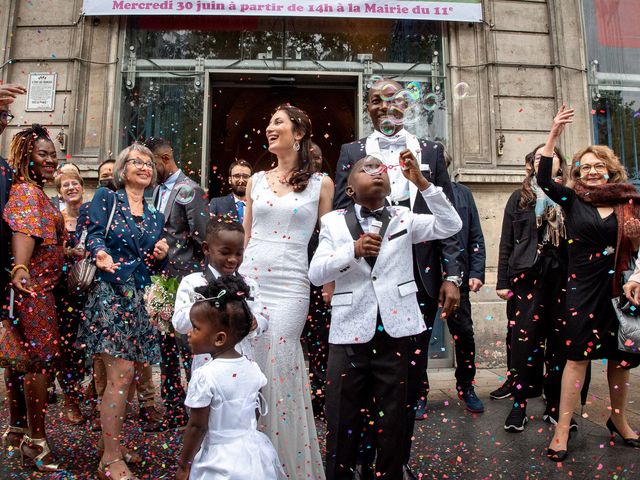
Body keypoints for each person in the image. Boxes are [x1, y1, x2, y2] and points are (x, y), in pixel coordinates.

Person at [334, 78, 463, 479]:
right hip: (365, 275)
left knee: (405, 380)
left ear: (405, 106)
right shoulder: (351, 151)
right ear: (368, 108)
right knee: (358, 381)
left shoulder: (431, 151)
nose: (382, 106)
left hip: (418, 279)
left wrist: (452, 274)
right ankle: (359, 459)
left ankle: (396, 460)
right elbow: (341, 211)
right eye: (374, 100)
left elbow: (448, 218)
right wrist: (334, 271)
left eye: (390, 99)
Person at [310, 154, 461, 479]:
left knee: (393, 418)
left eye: (382, 169)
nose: (377, 171)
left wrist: (423, 184)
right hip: (349, 333)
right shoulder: (333, 222)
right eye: (366, 168)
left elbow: (451, 225)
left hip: (396, 331)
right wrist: (353, 250)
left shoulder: (405, 217)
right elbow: (315, 272)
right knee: (341, 419)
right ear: (349, 189)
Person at [537, 106, 640, 461]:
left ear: (611, 171)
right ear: (578, 172)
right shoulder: (572, 198)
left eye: (599, 166)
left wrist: (638, 278)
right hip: (581, 290)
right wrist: (554, 134)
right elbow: (544, 180)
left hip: (620, 291)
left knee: (620, 359)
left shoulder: (631, 203)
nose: (592, 171)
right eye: (586, 166)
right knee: (576, 358)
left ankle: (619, 420)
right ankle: (562, 429)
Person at [239, 104, 333, 478]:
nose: (269, 128)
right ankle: (249, 462)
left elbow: (328, 239)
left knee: (280, 361)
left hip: (292, 283)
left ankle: (285, 462)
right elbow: (246, 237)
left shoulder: (321, 183)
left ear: (298, 133)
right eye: (268, 122)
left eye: (277, 122)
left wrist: (330, 280)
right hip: (252, 281)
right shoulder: (255, 181)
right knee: (250, 361)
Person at [77, 143, 169, 480]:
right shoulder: (107, 197)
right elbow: (93, 234)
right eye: (137, 162)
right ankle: (110, 460)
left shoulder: (156, 213)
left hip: (141, 298)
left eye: (149, 163)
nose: (145, 167)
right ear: (122, 169)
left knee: (129, 381)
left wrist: (162, 250)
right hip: (111, 294)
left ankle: (111, 446)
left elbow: (154, 258)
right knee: (119, 377)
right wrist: (100, 252)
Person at [175, 276, 285, 480]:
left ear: (219, 338)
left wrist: (184, 465)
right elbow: (255, 410)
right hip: (252, 454)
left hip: (218, 459)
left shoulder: (204, 376)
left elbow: (197, 426)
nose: (189, 334)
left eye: (196, 328)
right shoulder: (253, 368)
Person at [496, 144, 573, 433]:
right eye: (539, 157)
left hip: (562, 279)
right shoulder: (519, 198)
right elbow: (506, 242)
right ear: (531, 165)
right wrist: (502, 282)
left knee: (558, 344)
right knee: (524, 344)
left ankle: (554, 405)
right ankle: (519, 404)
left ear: (559, 165)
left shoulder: (568, 197)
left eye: (550, 157)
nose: (544, 160)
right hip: (527, 277)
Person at [3, 124, 66, 472]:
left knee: (21, 362)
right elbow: (24, 233)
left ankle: (17, 429)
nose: (50, 160)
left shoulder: (34, 191)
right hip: (35, 293)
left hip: (35, 291)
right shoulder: (28, 193)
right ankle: (37, 442)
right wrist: (22, 269)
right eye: (43, 154)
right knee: (39, 362)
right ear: (26, 155)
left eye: (53, 154)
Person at [146, 137, 209, 431]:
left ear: (165, 158)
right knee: (165, 346)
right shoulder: (157, 190)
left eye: (150, 162)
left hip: (184, 280)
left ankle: (194, 408)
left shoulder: (190, 189)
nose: (147, 168)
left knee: (187, 345)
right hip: (161, 280)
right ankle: (172, 408)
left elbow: (202, 237)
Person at [172, 218, 268, 371]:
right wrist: (209, 306)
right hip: (207, 364)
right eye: (225, 252)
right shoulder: (193, 282)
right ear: (206, 248)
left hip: (244, 362)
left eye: (238, 253)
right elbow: (179, 323)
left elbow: (264, 319)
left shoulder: (249, 284)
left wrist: (255, 323)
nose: (232, 259)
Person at [443, 150, 486, 413]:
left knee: (465, 334)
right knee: (419, 339)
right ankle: (419, 393)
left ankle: (466, 386)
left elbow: (476, 237)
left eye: (443, 163)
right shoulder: (416, 193)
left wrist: (476, 272)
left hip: (457, 278)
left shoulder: (463, 194)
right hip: (424, 279)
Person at [53, 164, 89, 425]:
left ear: (82, 187)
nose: (71, 187)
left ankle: (95, 393)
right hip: (64, 290)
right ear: (60, 192)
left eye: (75, 183)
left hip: (91, 288)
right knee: (68, 346)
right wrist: (65, 252)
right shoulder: (57, 219)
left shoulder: (92, 216)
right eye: (65, 185)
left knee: (91, 345)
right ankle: (71, 399)